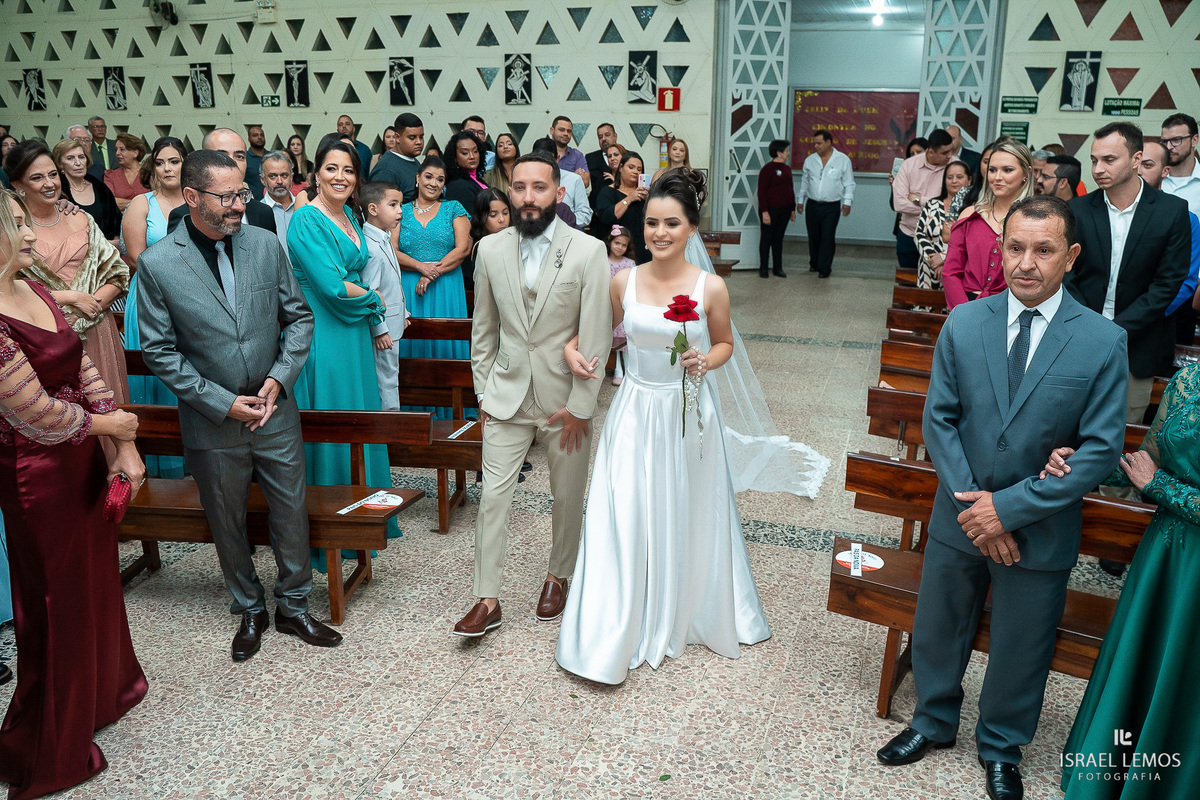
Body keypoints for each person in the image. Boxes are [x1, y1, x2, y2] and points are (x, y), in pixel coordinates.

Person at [876, 195, 1129, 800]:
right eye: (1015, 247)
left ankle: (1000, 746)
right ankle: (932, 722)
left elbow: (1097, 450)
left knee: (1022, 641)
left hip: (1038, 526)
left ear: (1070, 256)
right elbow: (940, 419)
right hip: (959, 515)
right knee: (940, 624)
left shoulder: (1100, 340)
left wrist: (1006, 510)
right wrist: (975, 510)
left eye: (1043, 250)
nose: (1026, 263)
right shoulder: (966, 323)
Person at [555, 168, 772, 684]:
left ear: (692, 228)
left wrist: (706, 361)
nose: (659, 233)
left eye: (671, 223)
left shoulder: (710, 286)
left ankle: (685, 603)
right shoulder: (623, 281)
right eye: (651, 222)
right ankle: (618, 615)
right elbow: (594, 333)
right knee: (623, 508)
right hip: (634, 410)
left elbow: (724, 344)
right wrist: (571, 349)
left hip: (686, 415)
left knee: (686, 506)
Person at [137, 150, 341, 658]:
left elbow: (298, 318)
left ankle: (294, 605)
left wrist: (279, 378)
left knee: (290, 509)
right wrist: (223, 403)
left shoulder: (266, 245)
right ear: (191, 198)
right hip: (213, 420)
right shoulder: (158, 264)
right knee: (225, 516)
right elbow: (159, 351)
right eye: (225, 197)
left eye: (241, 194)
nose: (237, 206)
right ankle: (249, 606)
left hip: (275, 409)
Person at [0, 188, 148, 799]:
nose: (31, 235)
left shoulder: (33, 288)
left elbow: (82, 365)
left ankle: (102, 695)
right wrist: (110, 428)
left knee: (94, 583)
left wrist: (122, 444)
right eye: (16, 225)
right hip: (36, 476)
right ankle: (51, 743)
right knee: (54, 602)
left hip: (81, 462)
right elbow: (29, 411)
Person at [453, 152, 611, 638]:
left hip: (566, 402)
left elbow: (597, 335)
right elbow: (484, 329)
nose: (527, 197)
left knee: (565, 496)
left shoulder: (588, 252)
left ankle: (558, 574)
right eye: (519, 187)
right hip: (506, 397)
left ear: (558, 194)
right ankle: (487, 598)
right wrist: (484, 390)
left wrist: (583, 406)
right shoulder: (490, 249)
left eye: (539, 188)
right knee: (492, 498)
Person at [1043, 363, 1200, 800]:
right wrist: (1080, 464)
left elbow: (1155, 478)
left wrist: (1161, 487)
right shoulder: (1190, 378)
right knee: (1146, 666)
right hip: (1164, 562)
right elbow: (1147, 459)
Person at [286, 140, 399, 548]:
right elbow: (332, 287)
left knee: (360, 416)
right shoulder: (307, 220)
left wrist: (368, 304)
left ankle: (366, 513)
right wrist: (374, 301)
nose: (340, 177)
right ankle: (332, 526)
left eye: (348, 170)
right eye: (331, 168)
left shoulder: (349, 215)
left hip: (352, 333)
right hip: (324, 332)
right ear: (316, 173)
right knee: (334, 419)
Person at [1066, 121, 1191, 427]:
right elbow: (1065, 274)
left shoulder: (1171, 211)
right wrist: (1091, 325)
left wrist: (1117, 329)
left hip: (1137, 344)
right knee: (1066, 426)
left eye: (1109, 159)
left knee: (1121, 432)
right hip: (1078, 336)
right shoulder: (1076, 210)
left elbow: (1167, 283)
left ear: (1136, 159)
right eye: (1094, 160)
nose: (1098, 168)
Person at [5, 140, 129, 408]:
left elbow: (117, 273)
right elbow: (7, 290)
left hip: (97, 331)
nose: (49, 184)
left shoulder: (80, 217)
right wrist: (68, 299)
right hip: (43, 338)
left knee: (110, 416)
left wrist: (88, 307)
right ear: (17, 185)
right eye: (37, 178)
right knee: (59, 418)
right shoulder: (11, 232)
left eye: (52, 174)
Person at [121, 138, 189, 471]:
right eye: (161, 162)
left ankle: (190, 463)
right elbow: (138, 258)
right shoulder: (141, 204)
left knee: (189, 374)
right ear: (153, 168)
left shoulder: (198, 201)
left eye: (174, 161)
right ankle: (156, 464)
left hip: (191, 303)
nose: (167, 169)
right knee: (154, 376)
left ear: (185, 165)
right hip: (150, 298)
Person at [394, 156, 472, 417]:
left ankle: (452, 410)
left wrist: (432, 272)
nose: (434, 183)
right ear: (417, 178)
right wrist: (419, 267)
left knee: (444, 344)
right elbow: (391, 250)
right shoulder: (400, 210)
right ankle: (412, 407)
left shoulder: (453, 208)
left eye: (440, 179)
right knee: (411, 345)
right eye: (429, 176)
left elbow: (463, 249)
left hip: (446, 286)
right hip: (408, 287)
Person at [942, 139, 1036, 308]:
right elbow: (950, 273)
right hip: (967, 304)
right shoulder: (971, 215)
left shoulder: (1037, 220)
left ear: (1026, 174)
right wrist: (964, 314)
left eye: (1007, 170)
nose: (997, 177)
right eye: (992, 170)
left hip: (1015, 308)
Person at [1139, 141, 1200, 347]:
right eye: (1135, 163)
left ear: (1165, 171)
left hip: (1161, 320)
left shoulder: (1184, 217)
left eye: (1147, 165)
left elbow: (1187, 279)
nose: (1138, 171)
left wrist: (1143, 316)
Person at [166, 129, 276, 235]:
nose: (231, 162)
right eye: (221, 156)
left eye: (239, 156)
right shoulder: (184, 216)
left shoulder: (263, 212)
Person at [360, 181, 409, 411]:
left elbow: (392, 284)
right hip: (384, 330)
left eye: (400, 204)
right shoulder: (370, 247)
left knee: (392, 374)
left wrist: (404, 313)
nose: (400, 210)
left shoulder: (384, 237)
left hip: (393, 322)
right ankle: (390, 425)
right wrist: (379, 330)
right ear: (373, 209)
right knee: (386, 379)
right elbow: (371, 292)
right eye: (393, 204)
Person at [893, 129, 955, 274]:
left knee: (936, 291)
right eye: (945, 153)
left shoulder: (955, 167)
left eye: (951, 151)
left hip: (942, 242)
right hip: (909, 235)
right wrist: (937, 209)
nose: (950, 156)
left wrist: (918, 199)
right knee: (907, 284)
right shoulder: (909, 165)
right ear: (931, 152)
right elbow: (899, 204)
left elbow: (956, 206)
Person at [798, 129, 855, 279]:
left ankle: (825, 268)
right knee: (814, 236)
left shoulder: (842, 160)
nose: (816, 146)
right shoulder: (810, 160)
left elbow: (849, 183)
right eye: (814, 143)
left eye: (819, 143)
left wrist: (847, 202)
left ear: (829, 142)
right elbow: (804, 182)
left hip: (831, 206)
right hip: (812, 204)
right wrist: (800, 201)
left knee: (827, 236)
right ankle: (814, 262)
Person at [914, 160, 971, 291]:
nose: (954, 181)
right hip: (929, 269)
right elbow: (919, 234)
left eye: (959, 177)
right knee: (925, 308)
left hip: (959, 271)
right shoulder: (932, 204)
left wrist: (944, 258)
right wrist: (934, 259)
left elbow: (971, 241)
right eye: (949, 177)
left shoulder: (974, 208)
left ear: (969, 180)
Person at [53, 137, 122, 244]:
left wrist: (113, 245)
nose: (78, 163)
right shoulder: (56, 191)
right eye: (70, 158)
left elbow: (117, 223)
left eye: (81, 157)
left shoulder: (101, 188)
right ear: (60, 164)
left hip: (106, 254)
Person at [593, 151, 650, 264]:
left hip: (642, 249)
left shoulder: (645, 194)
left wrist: (650, 200)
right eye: (631, 167)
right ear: (621, 168)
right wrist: (629, 198)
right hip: (618, 252)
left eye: (639, 169)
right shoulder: (608, 192)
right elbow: (606, 217)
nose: (635, 172)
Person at [532, 137, 591, 230]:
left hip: (567, 232)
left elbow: (585, 214)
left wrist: (563, 224)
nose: (544, 163)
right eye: (539, 159)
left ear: (557, 159)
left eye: (548, 159)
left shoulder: (574, 179)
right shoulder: (526, 180)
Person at [756, 139, 795, 278]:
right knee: (767, 238)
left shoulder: (787, 169)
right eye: (786, 151)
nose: (788, 153)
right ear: (779, 153)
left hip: (784, 210)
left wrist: (792, 209)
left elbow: (790, 189)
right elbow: (761, 191)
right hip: (770, 210)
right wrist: (765, 211)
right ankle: (764, 268)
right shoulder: (767, 169)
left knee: (778, 239)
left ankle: (778, 268)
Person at [256, 150, 306, 256]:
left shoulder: (304, 207)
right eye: (272, 176)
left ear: (291, 177)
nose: (279, 181)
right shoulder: (256, 214)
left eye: (284, 175)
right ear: (262, 179)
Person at [604, 224, 635, 385]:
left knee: (626, 337)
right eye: (617, 243)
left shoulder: (629, 264)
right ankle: (617, 369)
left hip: (624, 306)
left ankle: (629, 369)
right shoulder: (602, 261)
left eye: (623, 245)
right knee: (612, 337)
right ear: (610, 242)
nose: (620, 247)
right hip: (607, 305)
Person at [369, 112, 423, 203]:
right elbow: (379, 208)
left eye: (421, 137)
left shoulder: (412, 159)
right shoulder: (386, 170)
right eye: (412, 138)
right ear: (397, 137)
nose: (419, 142)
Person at [466, 186, 511, 292]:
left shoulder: (516, 241)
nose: (501, 219)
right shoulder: (477, 247)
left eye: (505, 213)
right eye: (493, 215)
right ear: (481, 217)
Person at [443, 131, 488, 219]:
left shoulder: (477, 178)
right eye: (465, 153)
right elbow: (469, 220)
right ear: (455, 157)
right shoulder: (457, 185)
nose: (472, 156)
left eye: (475, 151)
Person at [1161, 113, 1199, 216]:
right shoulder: (1153, 178)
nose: (1169, 147)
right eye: (1165, 141)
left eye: (1176, 140)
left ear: (1194, 140)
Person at [103, 132, 148, 212]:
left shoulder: (148, 174)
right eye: (116, 150)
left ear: (135, 153)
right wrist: (141, 203)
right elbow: (110, 202)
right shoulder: (110, 175)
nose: (117, 153)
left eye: (122, 149)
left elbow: (156, 201)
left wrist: (123, 202)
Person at [549, 116, 589, 188]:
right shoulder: (542, 152)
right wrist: (574, 176)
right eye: (562, 130)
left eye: (569, 131)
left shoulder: (577, 155)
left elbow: (585, 182)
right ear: (552, 130)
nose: (566, 134)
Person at [586, 122, 618, 203]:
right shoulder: (590, 158)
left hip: (622, 204)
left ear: (615, 136)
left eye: (607, 135)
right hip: (597, 208)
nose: (603, 139)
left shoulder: (628, 156)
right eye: (600, 137)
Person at [86, 115, 116, 181]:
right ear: (89, 129)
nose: (100, 129)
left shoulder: (116, 145)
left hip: (117, 181)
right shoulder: (87, 148)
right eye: (96, 127)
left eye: (102, 126)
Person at [244, 124, 267, 200]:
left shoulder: (272, 157)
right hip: (253, 203)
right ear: (249, 138)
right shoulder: (244, 159)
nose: (259, 137)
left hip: (274, 203)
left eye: (261, 135)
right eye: (255, 135)